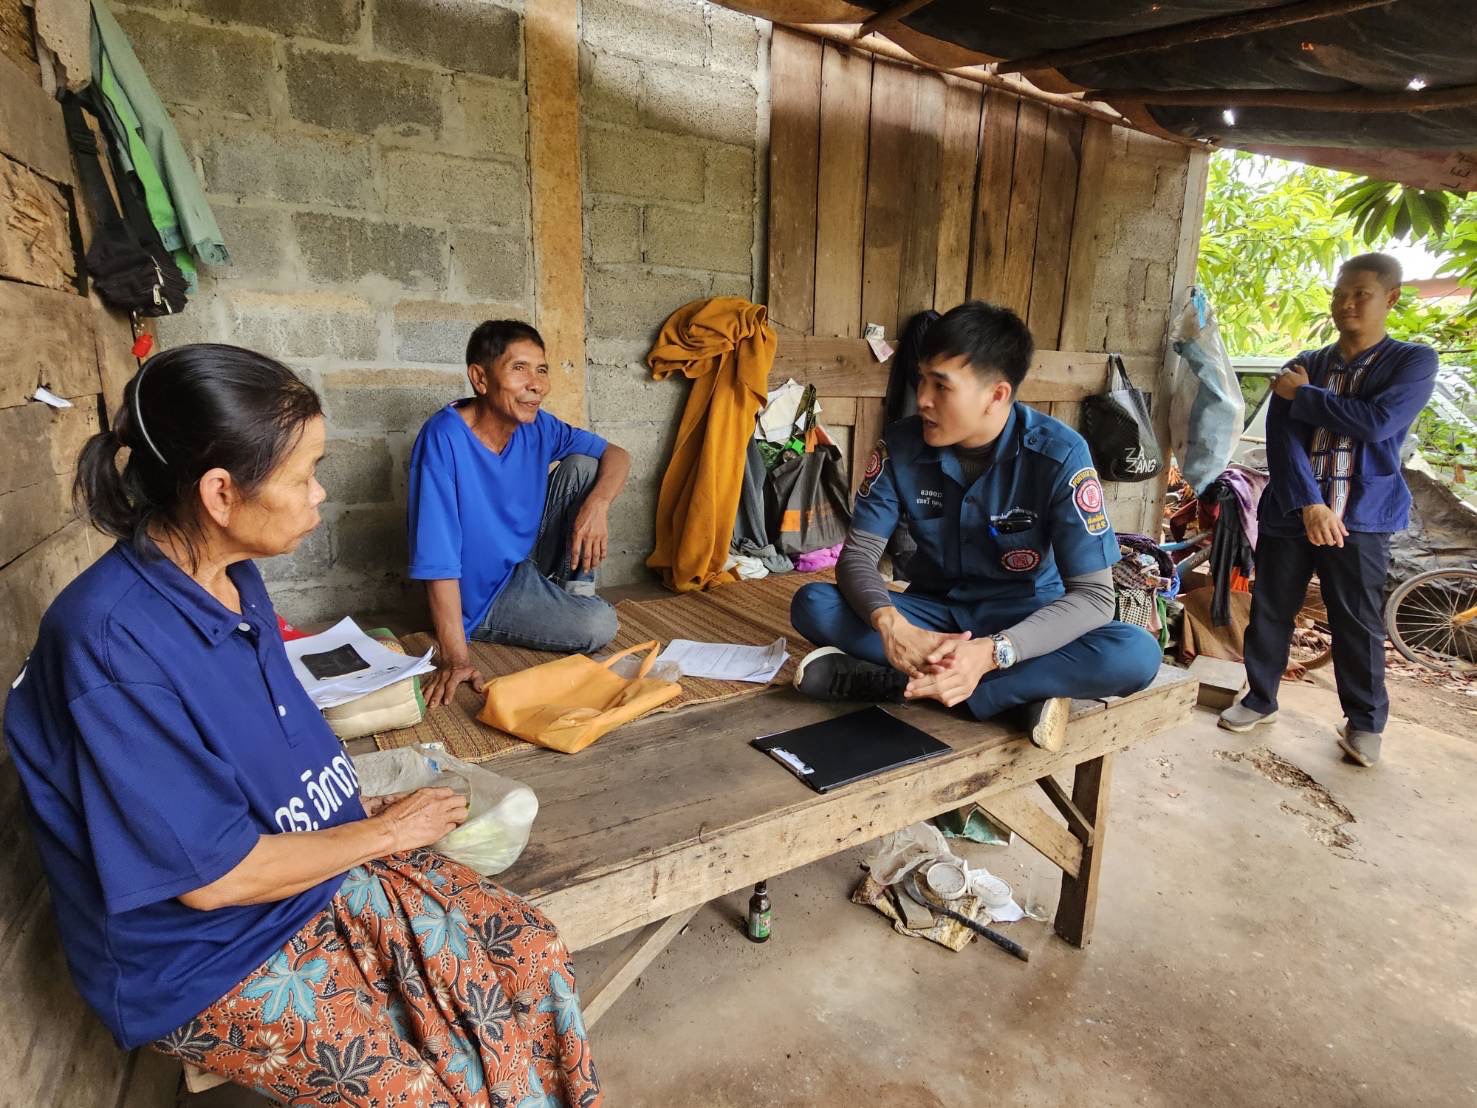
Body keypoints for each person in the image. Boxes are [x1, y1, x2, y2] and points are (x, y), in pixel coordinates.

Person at [3, 345, 601, 1104]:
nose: (319, 495)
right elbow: (216, 881)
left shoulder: (230, 577)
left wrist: (353, 813)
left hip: (310, 871)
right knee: (420, 1087)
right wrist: (385, 835)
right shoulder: (112, 644)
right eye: (302, 475)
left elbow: (248, 763)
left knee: (530, 952)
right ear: (221, 493)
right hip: (208, 953)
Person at [789, 300, 1163, 749]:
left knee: (1136, 654)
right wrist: (893, 625)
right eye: (922, 379)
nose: (922, 398)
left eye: (941, 387)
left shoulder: (1060, 455)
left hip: (1023, 618)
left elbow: (1096, 597)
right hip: (934, 615)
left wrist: (992, 653)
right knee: (813, 604)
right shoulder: (901, 446)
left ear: (997, 395)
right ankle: (1015, 696)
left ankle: (908, 685)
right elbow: (859, 557)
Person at [1219, 254, 1438, 767]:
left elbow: (1378, 422)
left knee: (1357, 622)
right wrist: (1311, 503)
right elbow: (1283, 441)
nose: (1347, 303)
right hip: (1294, 511)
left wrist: (1306, 397)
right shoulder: (1306, 361)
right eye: (1341, 293)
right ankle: (1259, 698)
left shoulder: (1411, 362)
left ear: (1392, 298)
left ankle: (1364, 724)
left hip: (1362, 517)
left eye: (1361, 293)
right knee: (1271, 609)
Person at [408, 320, 632, 707]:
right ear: (480, 378)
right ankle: (563, 606)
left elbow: (618, 455)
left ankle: (569, 590)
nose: (537, 384)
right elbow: (437, 558)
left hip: (526, 560)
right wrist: (455, 658)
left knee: (584, 466)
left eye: (541, 369)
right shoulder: (443, 439)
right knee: (599, 624)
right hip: (484, 595)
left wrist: (597, 507)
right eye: (519, 368)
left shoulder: (537, 425)